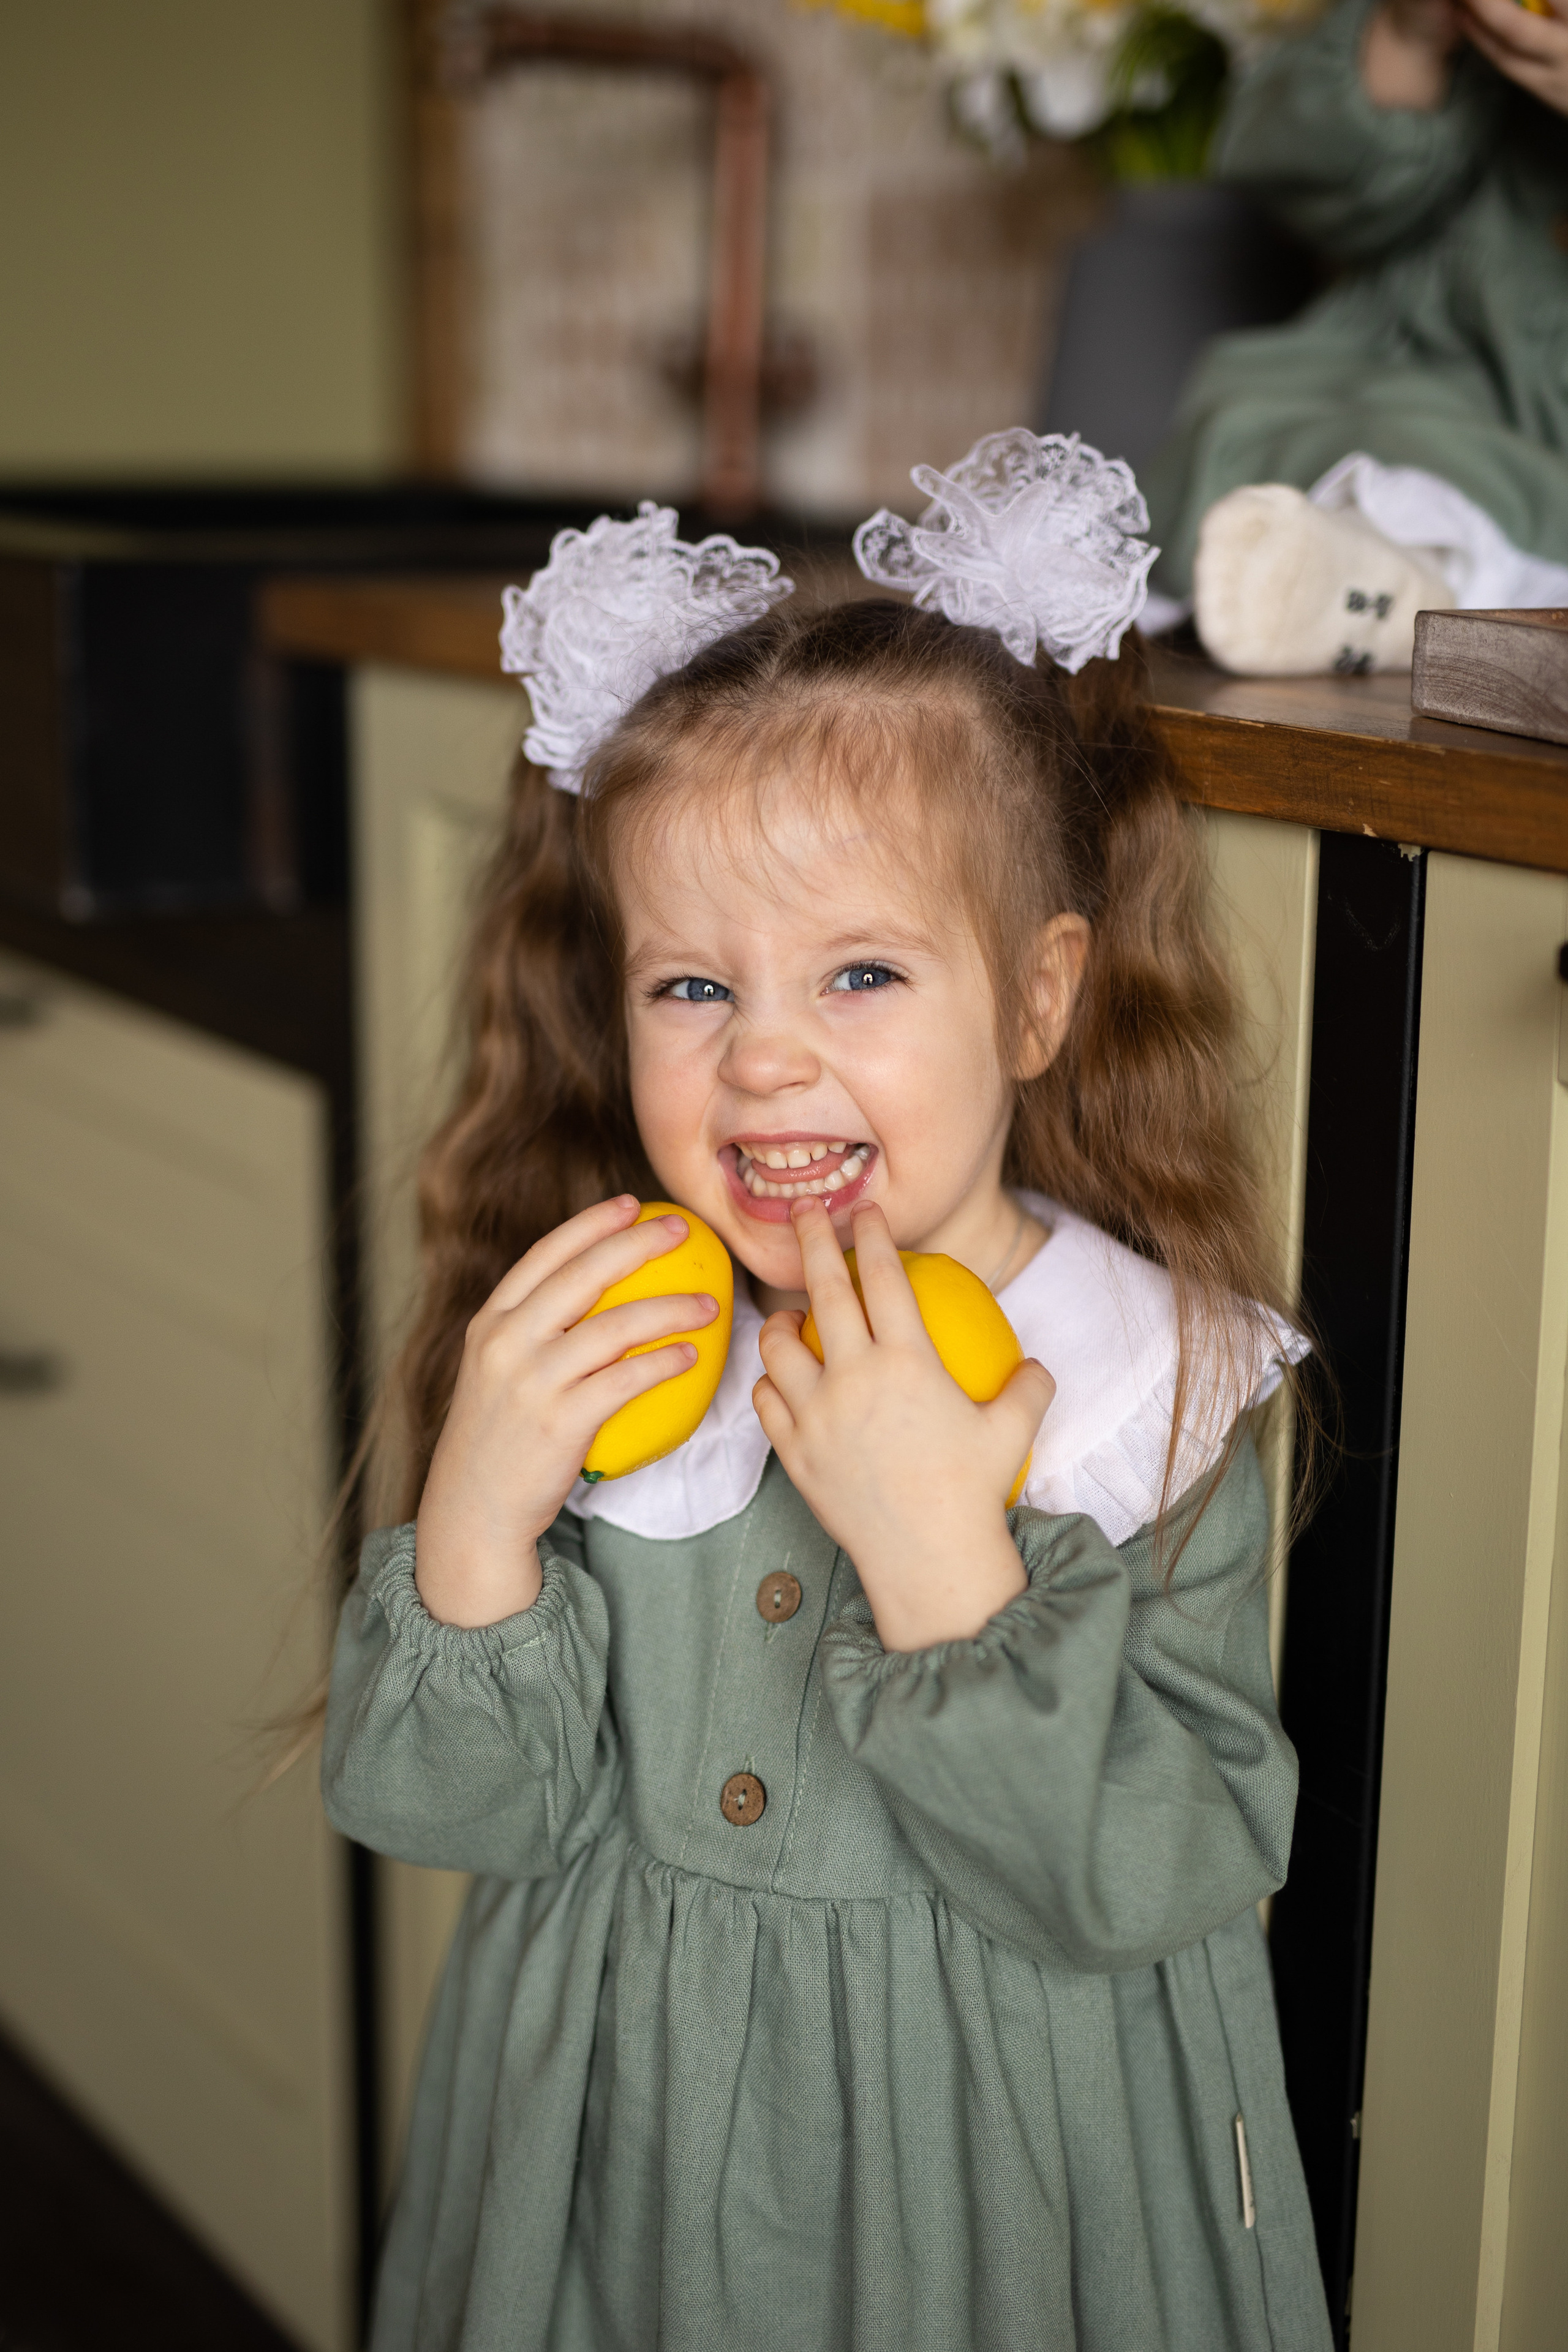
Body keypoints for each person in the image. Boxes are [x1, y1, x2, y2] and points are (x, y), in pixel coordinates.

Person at [322, 431, 1332, 2350]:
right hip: (615, 2165)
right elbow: (447, 1812)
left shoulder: (1150, 1385)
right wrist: (478, 1517)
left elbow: (1159, 1878)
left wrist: (948, 1563)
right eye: (692, 988)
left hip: (1002, 2194)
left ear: (1036, 996)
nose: (764, 1059)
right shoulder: (616, 1354)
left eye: (859, 973)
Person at [1143, 0, 1568, 674]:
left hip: (1543, 431)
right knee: (1267, 425)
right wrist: (1410, 36)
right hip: (1399, 361)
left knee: (1489, 492)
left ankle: (1390, 592)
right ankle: (1324, 566)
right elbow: (1311, 187)